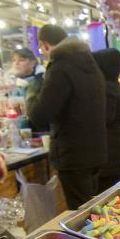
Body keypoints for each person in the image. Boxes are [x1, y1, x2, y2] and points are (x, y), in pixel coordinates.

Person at [26, 25, 107, 210]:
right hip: (95, 150)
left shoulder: (60, 67)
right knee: (91, 210)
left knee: (80, 213)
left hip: (73, 153)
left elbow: (39, 114)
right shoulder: (90, 63)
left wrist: (31, 92)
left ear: (44, 44)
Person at [92, 48, 120, 193]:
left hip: (109, 154)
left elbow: (103, 119)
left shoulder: (106, 89)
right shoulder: (113, 85)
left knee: (106, 195)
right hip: (115, 150)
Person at [11, 48, 46, 131]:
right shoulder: (14, 82)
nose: (16, 63)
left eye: (21, 60)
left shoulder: (40, 80)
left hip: (37, 129)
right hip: (20, 128)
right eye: (14, 60)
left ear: (33, 62)